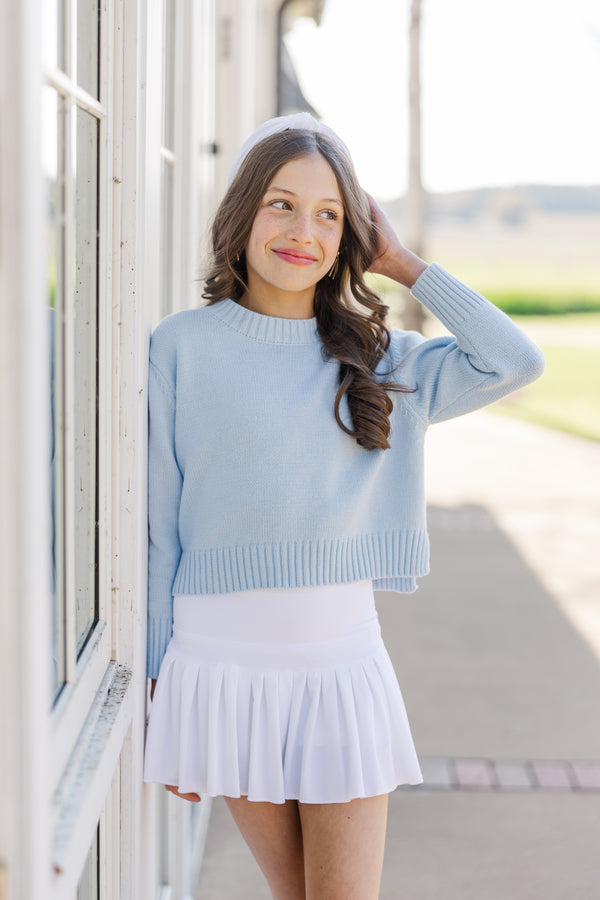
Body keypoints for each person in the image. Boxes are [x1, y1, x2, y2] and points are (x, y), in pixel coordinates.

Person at [143, 112, 544, 899]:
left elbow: (513, 360)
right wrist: (165, 690)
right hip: (218, 666)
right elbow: (158, 529)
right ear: (243, 214)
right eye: (282, 205)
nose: (304, 231)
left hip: (339, 667)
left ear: (349, 239)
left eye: (330, 215)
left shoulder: (384, 359)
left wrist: (403, 262)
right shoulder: (179, 346)